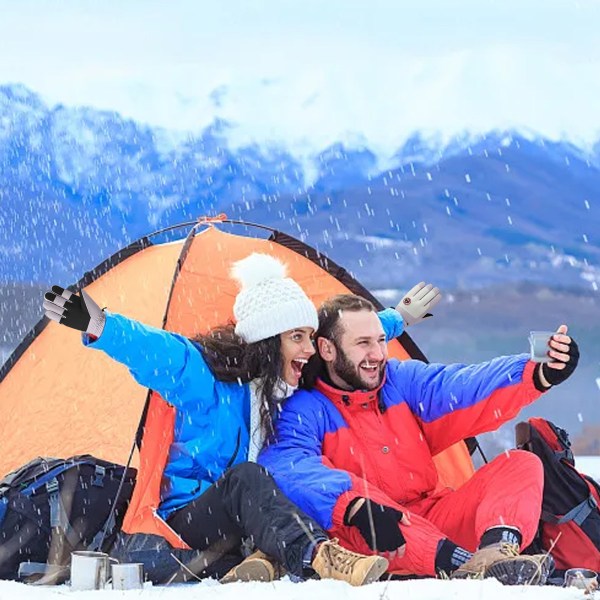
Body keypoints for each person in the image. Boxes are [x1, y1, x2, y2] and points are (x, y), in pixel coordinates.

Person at [42, 254, 440, 585]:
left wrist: (397, 319)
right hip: (191, 517)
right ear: (269, 340)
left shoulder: (288, 384)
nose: (308, 350)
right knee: (246, 477)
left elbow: (340, 345)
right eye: (296, 337)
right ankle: (322, 556)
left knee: (297, 473)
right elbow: (159, 352)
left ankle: (263, 563)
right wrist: (102, 327)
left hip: (245, 523)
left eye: (309, 336)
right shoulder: (207, 380)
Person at [259, 293, 580, 585]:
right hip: (372, 535)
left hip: (436, 517)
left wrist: (536, 372)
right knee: (365, 498)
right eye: (363, 344)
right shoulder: (305, 408)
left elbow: (462, 387)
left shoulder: (399, 380)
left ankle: (497, 556)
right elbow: (288, 466)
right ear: (327, 349)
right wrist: (351, 504)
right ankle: (464, 564)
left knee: (521, 464)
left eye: (381, 340)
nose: (378, 354)